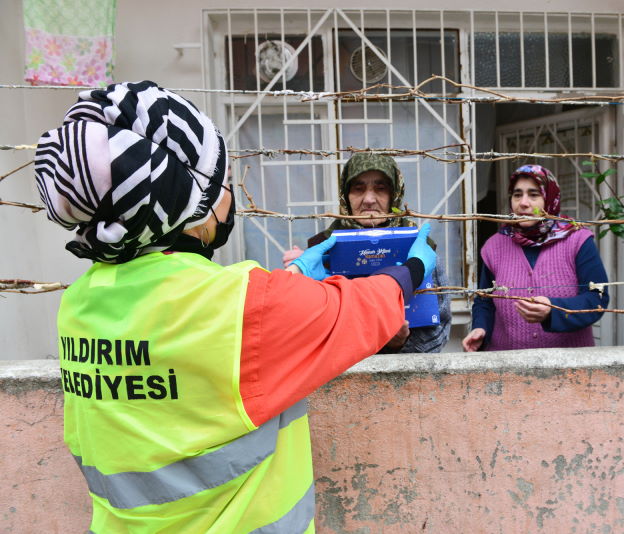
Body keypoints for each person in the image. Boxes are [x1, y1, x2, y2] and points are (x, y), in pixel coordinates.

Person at [34, 81, 437, 533]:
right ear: (191, 203)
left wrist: (297, 274)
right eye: (222, 183)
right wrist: (414, 268)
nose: (230, 198)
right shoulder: (241, 302)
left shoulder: (79, 302)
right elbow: (362, 306)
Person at [283, 153, 451, 353]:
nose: (369, 200)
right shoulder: (320, 250)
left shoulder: (420, 249)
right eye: (358, 188)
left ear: (394, 194)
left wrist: (398, 343)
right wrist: (295, 276)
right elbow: (308, 338)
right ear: (346, 194)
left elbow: (436, 336)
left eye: (380, 189)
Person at [462, 164, 609, 352]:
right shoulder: (494, 246)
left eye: (533, 194)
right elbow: (485, 301)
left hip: (570, 367)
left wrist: (554, 309)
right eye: (517, 194)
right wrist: (480, 328)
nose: (523, 203)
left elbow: (597, 297)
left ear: (549, 199)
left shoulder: (577, 241)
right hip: (507, 366)